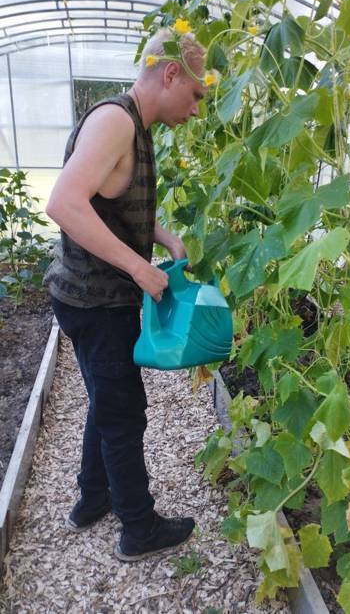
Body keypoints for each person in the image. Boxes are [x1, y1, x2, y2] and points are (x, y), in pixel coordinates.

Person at [44, 28, 207, 562]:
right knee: (123, 412)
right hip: (98, 301)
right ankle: (138, 530)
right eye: (198, 94)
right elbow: (65, 203)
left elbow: (108, 198)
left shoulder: (132, 121)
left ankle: (92, 500)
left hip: (88, 296)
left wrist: (162, 237)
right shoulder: (117, 121)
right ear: (171, 74)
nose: (198, 108)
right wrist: (141, 269)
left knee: (104, 399)